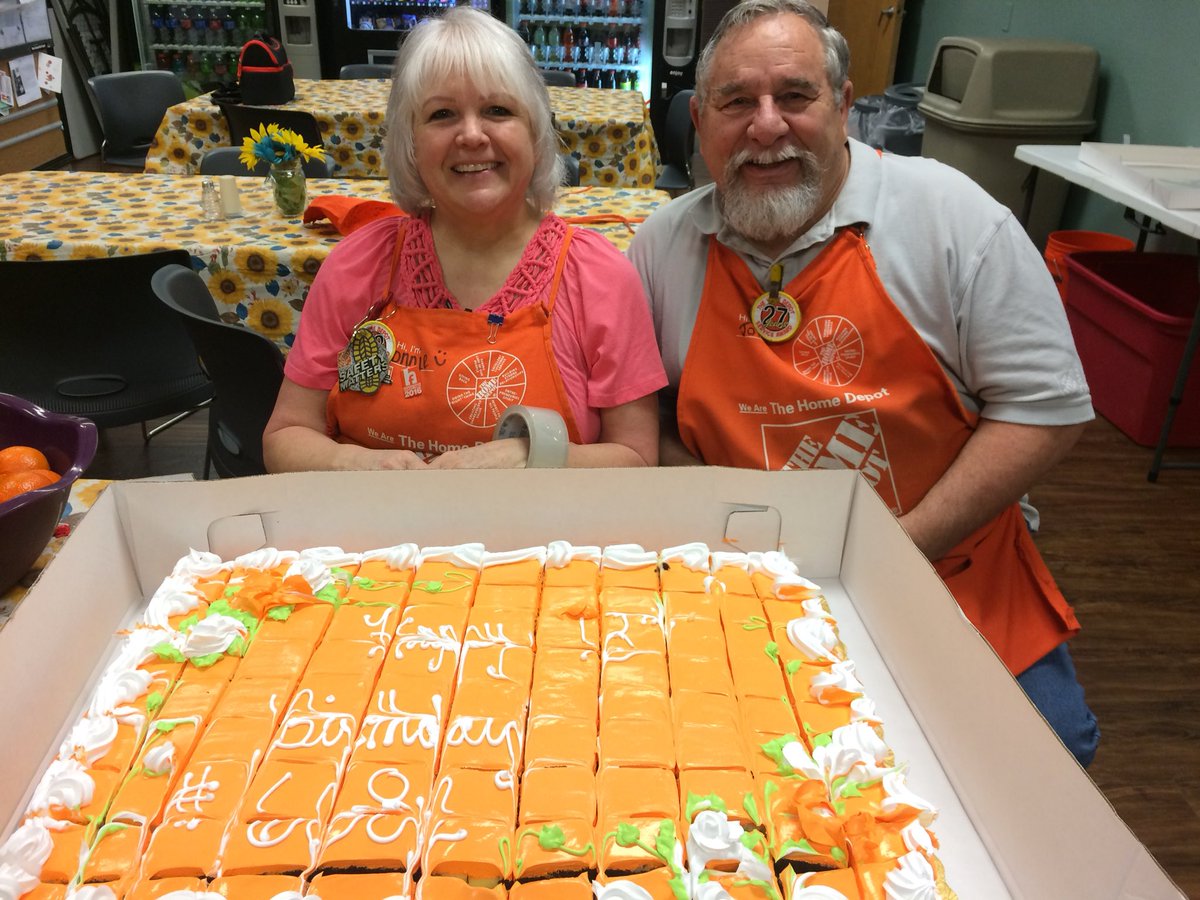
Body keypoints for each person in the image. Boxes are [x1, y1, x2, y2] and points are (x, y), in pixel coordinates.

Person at [627, 0, 1100, 765]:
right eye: (737, 101)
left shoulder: (955, 220)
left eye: (797, 95)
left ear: (845, 106)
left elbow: (1044, 411)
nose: (767, 125)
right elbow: (640, 423)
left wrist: (895, 551)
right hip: (737, 580)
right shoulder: (659, 248)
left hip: (946, 572)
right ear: (698, 122)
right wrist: (744, 537)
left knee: (1043, 760)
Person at [264, 7, 666, 472]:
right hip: (378, 537)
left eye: (498, 111)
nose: (472, 135)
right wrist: (347, 464)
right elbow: (284, 437)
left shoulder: (600, 277)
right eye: (442, 114)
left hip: (542, 539)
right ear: (410, 143)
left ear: (535, 133)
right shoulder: (358, 264)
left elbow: (637, 459)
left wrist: (534, 458)